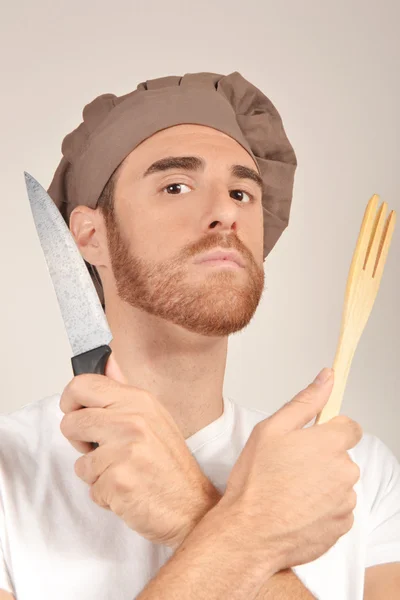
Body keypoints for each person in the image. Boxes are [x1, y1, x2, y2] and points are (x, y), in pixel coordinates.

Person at [0, 71, 399, 600]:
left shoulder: (352, 475)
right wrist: (247, 535)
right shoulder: (9, 472)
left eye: (242, 192)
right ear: (90, 236)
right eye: (176, 186)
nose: (226, 212)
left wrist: (190, 510)